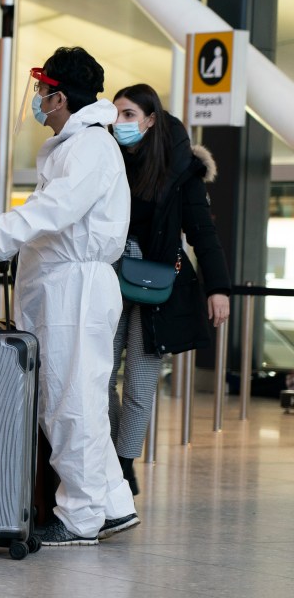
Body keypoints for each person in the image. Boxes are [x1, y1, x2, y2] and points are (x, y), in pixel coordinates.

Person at [0, 47, 138, 546]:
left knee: (69, 403)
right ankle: (111, 502)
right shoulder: (74, 145)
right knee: (76, 399)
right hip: (64, 287)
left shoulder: (88, 148)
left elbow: (53, 210)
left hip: (74, 291)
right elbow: (49, 210)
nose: (37, 100)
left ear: (59, 98)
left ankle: (80, 518)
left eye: (42, 91)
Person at [108, 83, 231, 495]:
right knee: (99, 374)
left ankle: (124, 466)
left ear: (150, 119)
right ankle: (106, 456)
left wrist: (218, 288)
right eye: (116, 113)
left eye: (128, 114)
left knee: (141, 383)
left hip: (157, 287)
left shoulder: (180, 167)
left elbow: (202, 230)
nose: (119, 122)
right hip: (109, 280)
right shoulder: (107, 159)